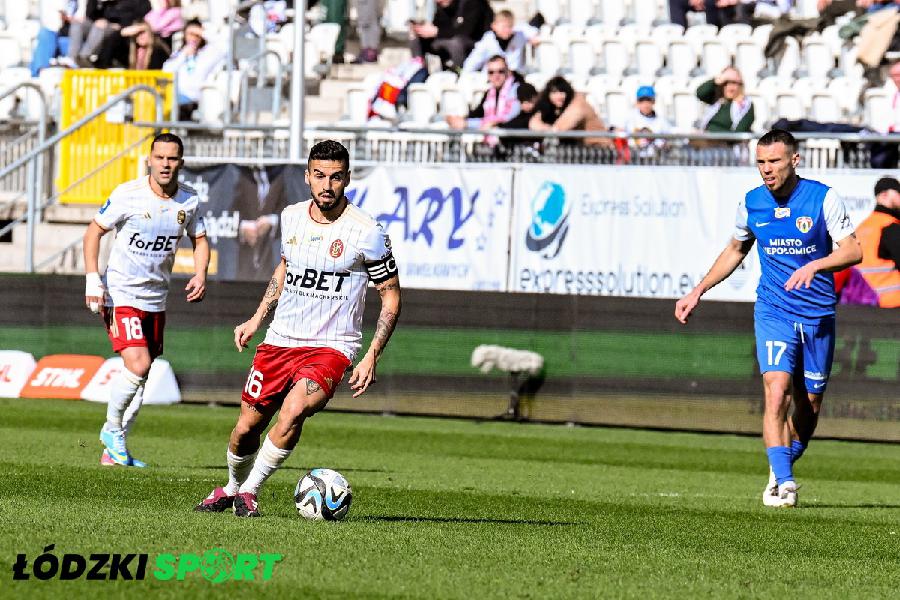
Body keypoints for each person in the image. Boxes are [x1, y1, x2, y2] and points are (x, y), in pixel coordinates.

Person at [194, 140, 401, 517]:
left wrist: (372, 354)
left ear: (347, 179)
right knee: (245, 429)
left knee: (293, 411)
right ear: (307, 177)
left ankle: (250, 491)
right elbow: (285, 268)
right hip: (280, 341)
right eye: (319, 176)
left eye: (335, 177)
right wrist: (257, 318)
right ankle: (232, 487)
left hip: (332, 347)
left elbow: (390, 296)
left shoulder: (367, 231)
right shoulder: (291, 217)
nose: (327, 185)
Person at [674, 129, 862, 508]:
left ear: (794, 160)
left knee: (810, 405)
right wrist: (698, 290)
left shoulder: (823, 198)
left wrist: (816, 265)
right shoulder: (752, 203)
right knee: (777, 391)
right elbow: (735, 249)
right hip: (774, 310)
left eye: (774, 161)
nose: (766, 169)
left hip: (817, 314)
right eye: (760, 162)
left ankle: (780, 468)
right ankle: (785, 482)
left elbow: (853, 251)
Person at [83, 132, 209, 467]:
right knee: (137, 365)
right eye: (160, 157)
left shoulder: (189, 200)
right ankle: (111, 429)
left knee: (142, 374)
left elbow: (200, 239)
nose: (165, 164)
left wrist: (200, 274)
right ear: (149, 160)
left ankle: (114, 451)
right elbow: (94, 232)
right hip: (121, 292)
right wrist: (92, 279)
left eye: (172, 158)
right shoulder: (128, 195)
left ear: (181, 162)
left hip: (156, 298)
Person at [837, 176, 900, 306]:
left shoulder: (861, 228)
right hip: (892, 302)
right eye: (898, 193)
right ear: (883, 195)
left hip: (863, 303)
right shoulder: (890, 226)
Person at [163, 19, 226, 121]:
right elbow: (166, 71)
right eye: (190, 34)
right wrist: (183, 55)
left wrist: (203, 32)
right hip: (175, 97)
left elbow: (224, 47)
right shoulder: (179, 54)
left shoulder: (207, 54)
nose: (193, 38)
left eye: (196, 35)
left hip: (194, 99)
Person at [409, 0, 493, 71]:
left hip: (476, 43)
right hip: (449, 39)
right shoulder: (443, 5)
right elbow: (439, 25)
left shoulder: (473, 3)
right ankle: (418, 72)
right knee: (416, 40)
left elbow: (466, 31)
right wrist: (422, 30)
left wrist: (437, 31)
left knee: (455, 44)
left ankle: (458, 74)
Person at [529, 76, 613, 147]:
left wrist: (548, 129)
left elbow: (559, 129)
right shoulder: (554, 107)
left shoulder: (578, 104)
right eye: (554, 93)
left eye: (562, 92)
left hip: (600, 149)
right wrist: (549, 128)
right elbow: (533, 123)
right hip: (585, 148)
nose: (559, 96)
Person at [446, 55, 520, 130]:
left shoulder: (518, 89)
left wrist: (494, 123)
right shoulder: (490, 93)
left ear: (508, 72)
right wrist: (461, 120)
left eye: (500, 71)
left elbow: (512, 117)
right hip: (493, 133)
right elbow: (478, 114)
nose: (496, 76)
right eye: (491, 72)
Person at [461, 9, 538, 75]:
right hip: (493, 79)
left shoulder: (520, 34)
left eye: (509, 26)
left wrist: (533, 37)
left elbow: (532, 31)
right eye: (503, 27)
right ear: (494, 26)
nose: (507, 30)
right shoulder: (488, 40)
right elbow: (472, 63)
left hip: (515, 78)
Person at [696, 67, 755, 133]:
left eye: (734, 83)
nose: (730, 87)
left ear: (740, 85)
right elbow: (700, 93)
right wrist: (718, 79)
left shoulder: (745, 104)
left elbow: (739, 132)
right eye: (726, 83)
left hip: (723, 138)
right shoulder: (715, 100)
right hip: (706, 136)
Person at [31, 0, 78, 76]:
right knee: (44, 34)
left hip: (75, 37)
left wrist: (73, 18)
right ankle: (40, 72)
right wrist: (63, 16)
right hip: (60, 34)